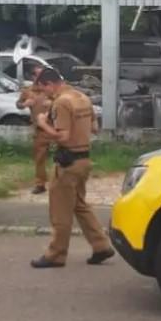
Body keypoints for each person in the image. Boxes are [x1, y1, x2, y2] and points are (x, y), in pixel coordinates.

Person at [30, 68, 114, 268]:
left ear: (50, 84)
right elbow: (94, 128)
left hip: (68, 162)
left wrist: (43, 124)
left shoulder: (61, 102)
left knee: (60, 210)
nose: (44, 94)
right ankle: (101, 245)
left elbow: (63, 136)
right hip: (84, 160)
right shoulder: (83, 98)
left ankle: (56, 254)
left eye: (43, 89)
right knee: (79, 205)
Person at [17, 64, 52, 194]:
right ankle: (40, 183)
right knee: (39, 158)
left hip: (56, 127)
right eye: (38, 74)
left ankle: (62, 183)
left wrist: (52, 103)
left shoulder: (51, 89)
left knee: (62, 157)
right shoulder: (28, 91)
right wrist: (23, 104)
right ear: (33, 76)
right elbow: (18, 104)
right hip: (40, 130)